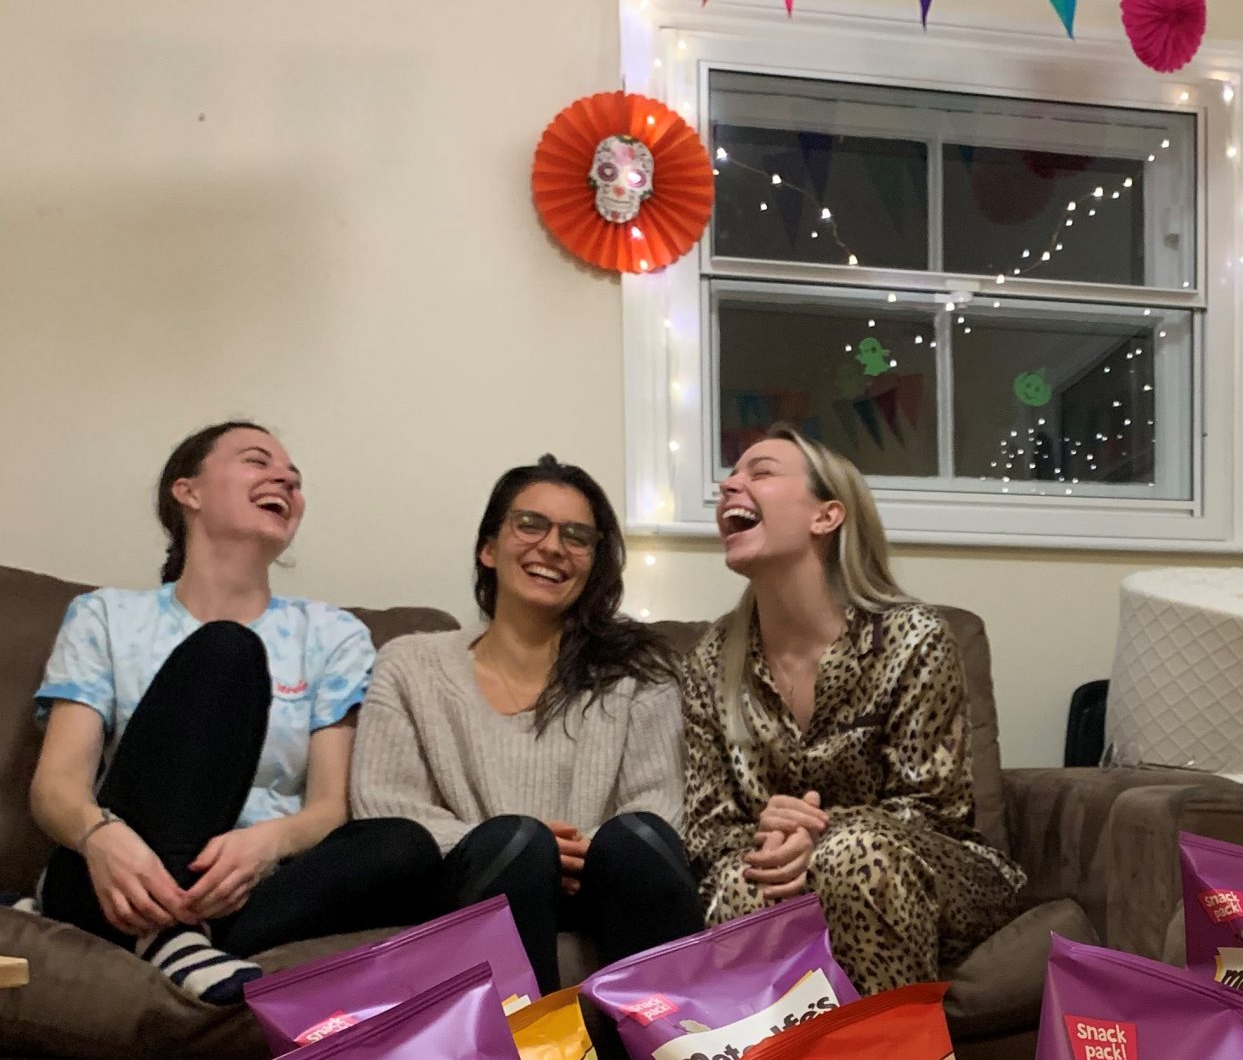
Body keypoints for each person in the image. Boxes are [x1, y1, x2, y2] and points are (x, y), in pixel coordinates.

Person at [30, 421, 439, 1004]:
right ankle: (160, 924)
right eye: (257, 461)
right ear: (188, 492)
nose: (285, 480)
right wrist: (100, 839)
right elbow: (56, 785)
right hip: (123, 866)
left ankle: (177, 935)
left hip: (252, 882)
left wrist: (268, 844)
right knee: (227, 650)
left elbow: (328, 807)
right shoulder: (106, 617)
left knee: (405, 847)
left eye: (294, 480)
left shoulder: (331, 635)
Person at [681, 428, 1022, 994]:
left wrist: (819, 830)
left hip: (931, 867)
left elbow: (933, 809)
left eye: (760, 472)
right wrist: (771, 842)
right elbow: (706, 829)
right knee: (742, 884)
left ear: (827, 516)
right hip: (776, 867)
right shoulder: (711, 663)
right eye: (730, 476)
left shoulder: (912, 638)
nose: (729, 484)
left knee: (853, 856)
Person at [348, 456, 697, 994]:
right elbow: (386, 807)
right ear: (488, 548)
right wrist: (530, 848)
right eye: (530, 524)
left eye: (577, 536)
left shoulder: (639, 670)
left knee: (637, 839)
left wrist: (580, 854)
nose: (554, 546)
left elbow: (659, 806)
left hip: (603, 887)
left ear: (594, 562)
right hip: (477, 885)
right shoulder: (410, 664)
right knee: (517, 842)